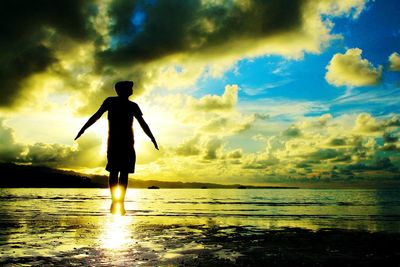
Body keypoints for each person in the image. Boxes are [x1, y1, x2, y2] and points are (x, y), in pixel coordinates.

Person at [75, 81, 158, 215]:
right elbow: (96, 116)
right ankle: (115, 200)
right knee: (115, 172)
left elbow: (143, 124)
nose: (132, 90)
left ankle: (119, 201)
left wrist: (152, 137)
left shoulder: (133, 106)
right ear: (122, 90)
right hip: (115, 143)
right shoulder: (110, 101)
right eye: (130, 88)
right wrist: (83, 129)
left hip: (127, 143)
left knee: (123, 173)